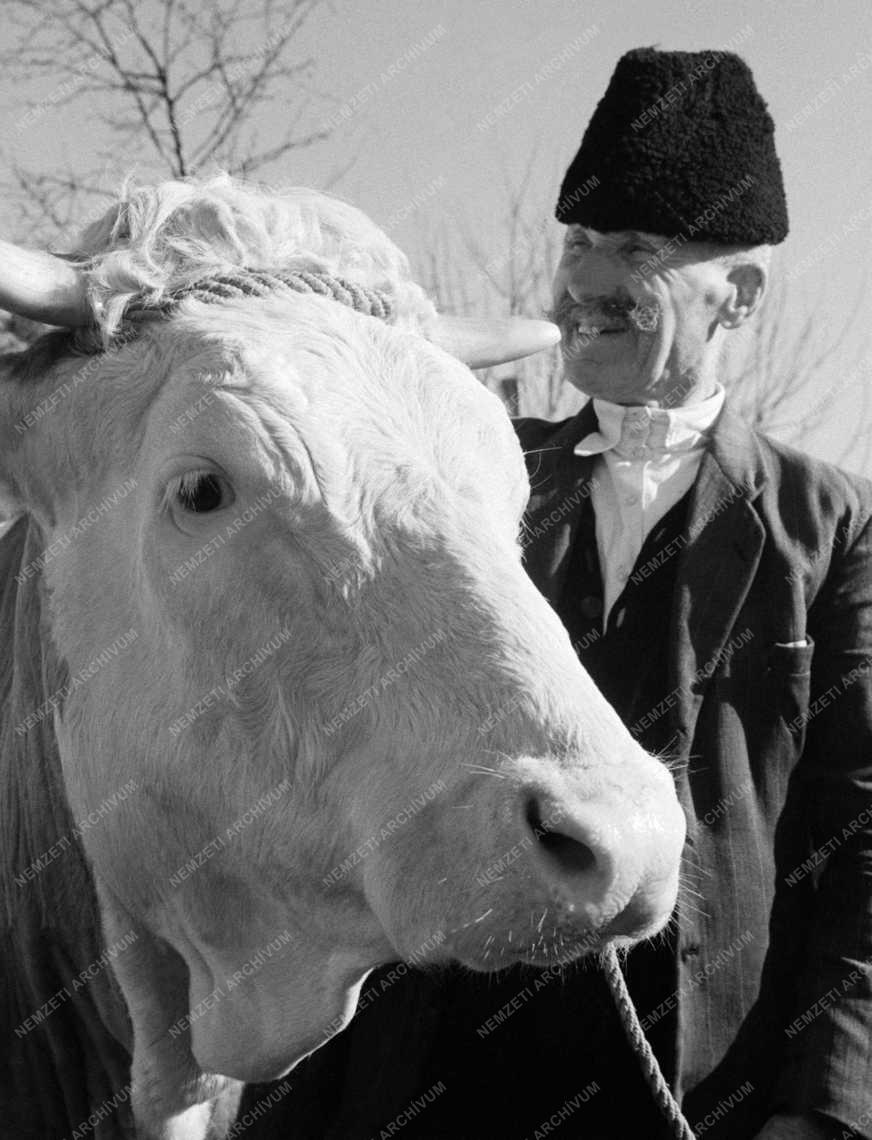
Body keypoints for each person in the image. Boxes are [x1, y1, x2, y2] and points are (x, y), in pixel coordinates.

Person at [235, 48, 872, 1140]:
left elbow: (863, 843)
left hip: (690, 1087)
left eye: (634, 249)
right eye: (576, 243)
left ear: (741, 293)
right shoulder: (459, 470)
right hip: (417, 1067)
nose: (583, 282)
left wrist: (826, 1110)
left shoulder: (837, 525)